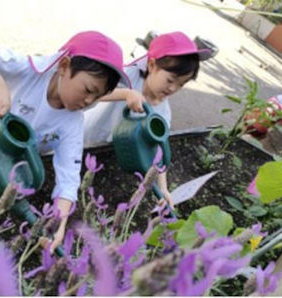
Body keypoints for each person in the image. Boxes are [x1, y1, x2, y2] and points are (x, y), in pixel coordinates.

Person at [0, 31, 130, 252]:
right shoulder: (30, 71)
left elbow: (69, 176)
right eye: (88, 90)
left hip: (15, 172)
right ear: (64, 66)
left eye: (97, 97)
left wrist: (58, 223)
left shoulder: (72, 123)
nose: (89, 101)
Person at [84, 31, 211, 208]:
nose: (173, 88)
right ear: (152, 65)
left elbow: (159, 149)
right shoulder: (127, 77)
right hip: (86, 138)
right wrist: (125, 94)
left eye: (181, 84)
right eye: (170, 80)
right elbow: (91, 92)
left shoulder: (162, 110)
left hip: (111, 151)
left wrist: (163, 188)